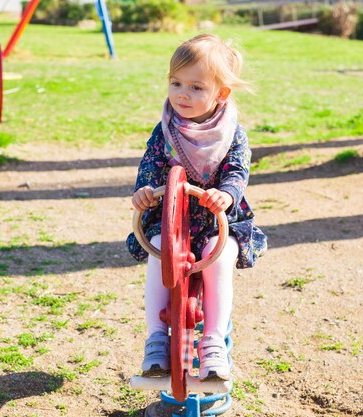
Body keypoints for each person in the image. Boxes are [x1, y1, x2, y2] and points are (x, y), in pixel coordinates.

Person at [126, 34, 266, 382]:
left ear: (221, 94)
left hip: (217, 221)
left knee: (219, 255)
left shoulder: (232, 132)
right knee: (160, 249)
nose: (182, 94)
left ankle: (213, 340)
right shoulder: (166, 130)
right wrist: (145, 191)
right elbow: (151, 164)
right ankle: (157, 338)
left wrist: (227, 194)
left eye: (196, 87)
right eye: (176, 83)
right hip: (172, 220)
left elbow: (238, 169)